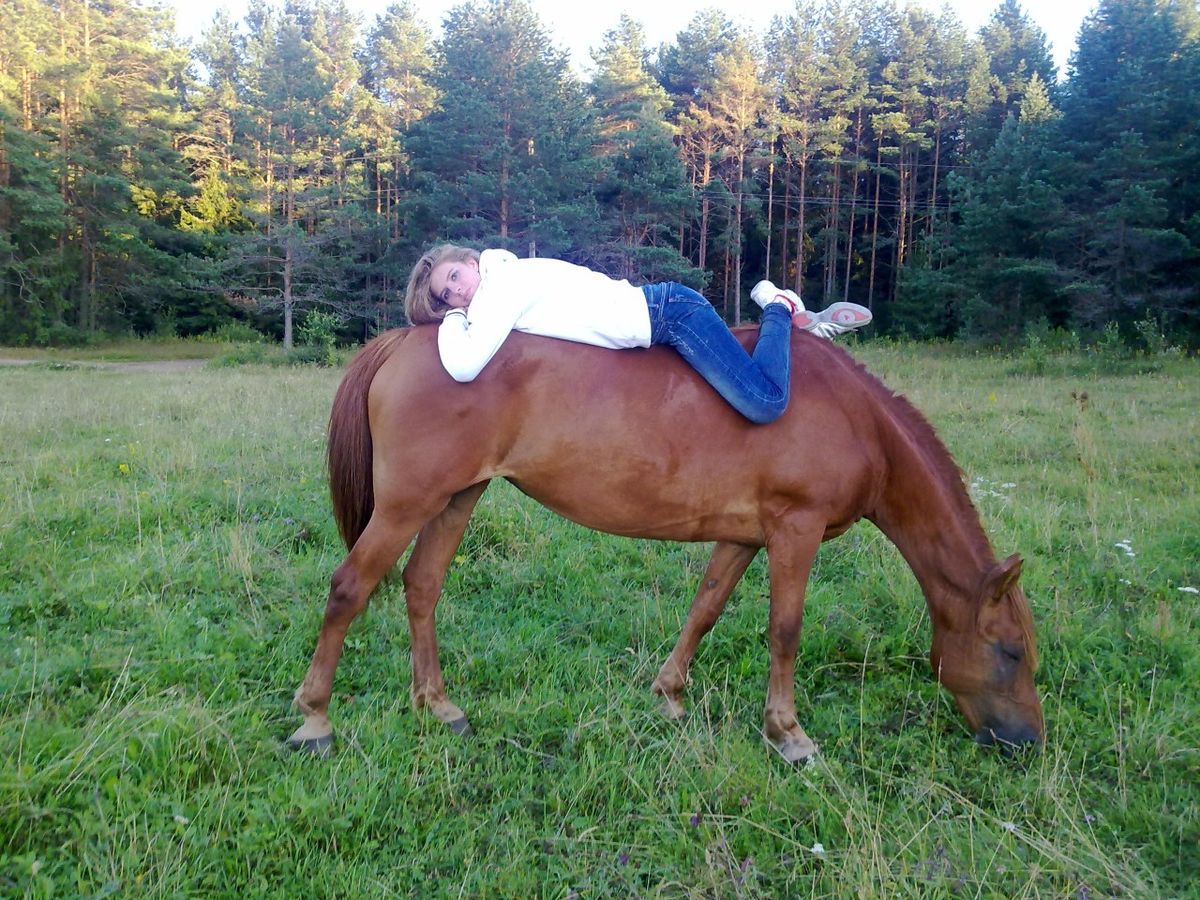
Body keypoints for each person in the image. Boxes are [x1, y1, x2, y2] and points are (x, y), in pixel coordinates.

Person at [403, 245, 871, 425]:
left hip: (671, 315)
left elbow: (464, 366)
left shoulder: (504, 286)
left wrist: (451, 320)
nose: (457, 295)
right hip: (662, 313)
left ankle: (777, 306)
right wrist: (459, 314)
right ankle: (793, 323)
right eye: (445, 297)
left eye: (454, 278)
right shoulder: (501, 282)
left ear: (470, 262)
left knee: (765, 403)